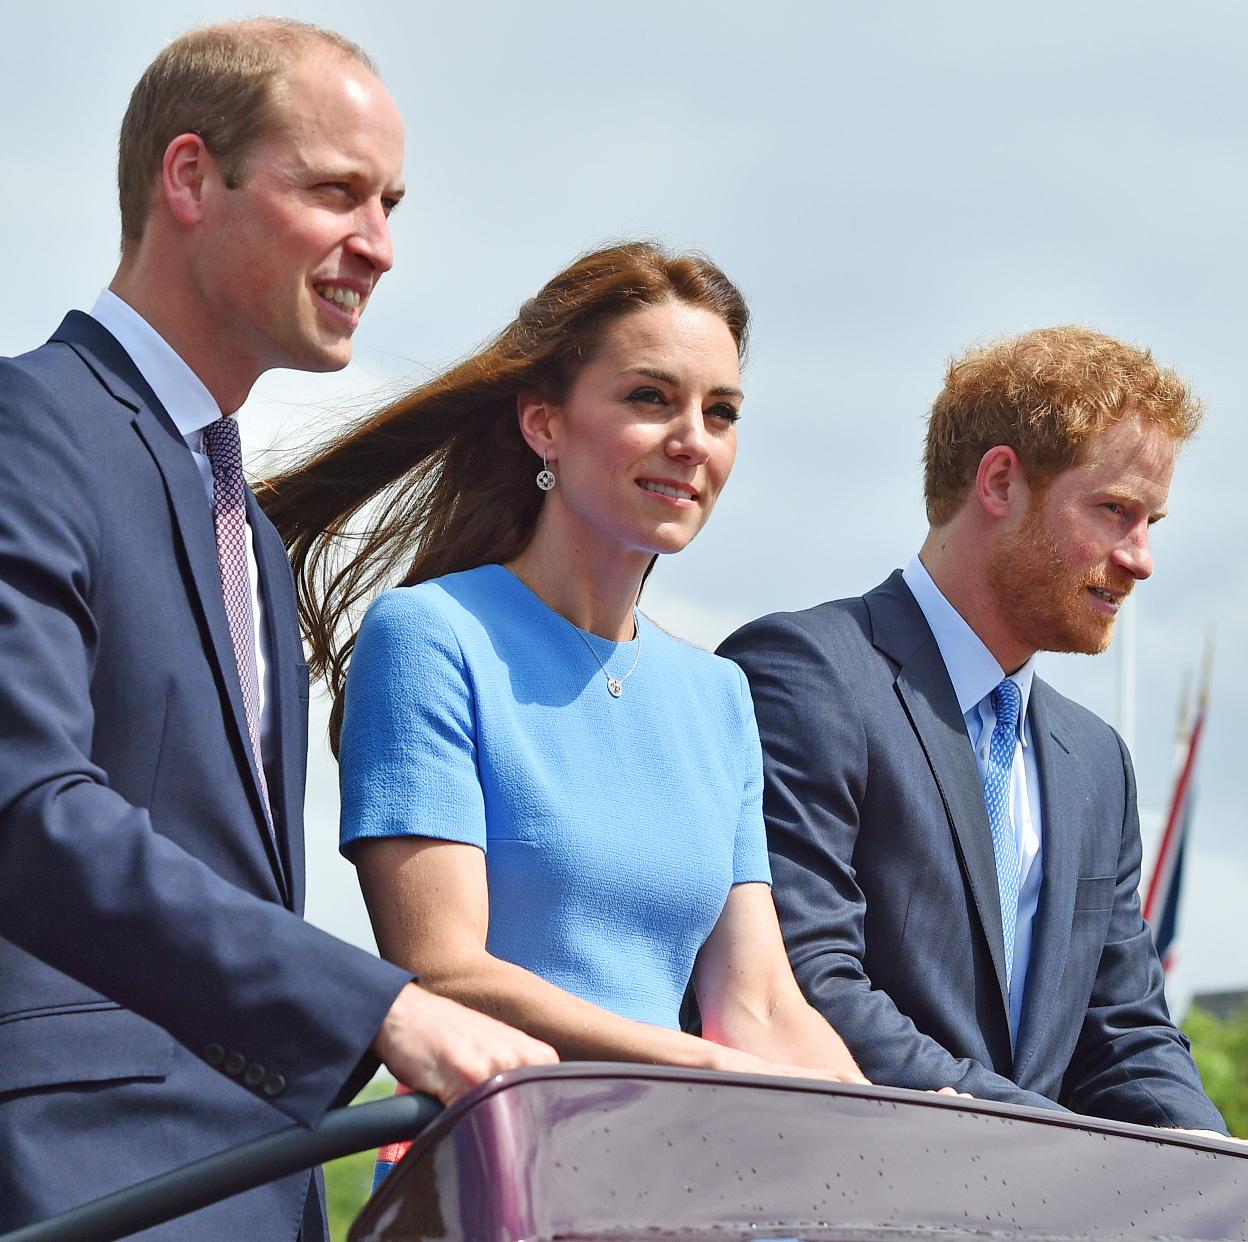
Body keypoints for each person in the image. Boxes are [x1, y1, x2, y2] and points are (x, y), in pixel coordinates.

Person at [0, 19, 553, 1239]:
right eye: (337, 193)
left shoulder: (244, 521)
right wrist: (378, 1011)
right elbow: (28, 809)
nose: (381, 246)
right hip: (84, 1175)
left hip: (263, 1184)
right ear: (190, 178)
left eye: (392, 203)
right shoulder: (23, 430)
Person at [263, 242, 868, 1176]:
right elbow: (444, 969)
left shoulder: (719, 697)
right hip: (500, 1177)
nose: (693, 440)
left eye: (722, 412)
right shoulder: (432, 636)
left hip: (674, 1187)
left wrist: (890, 1127)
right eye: (650, 398)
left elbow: (760, 1005)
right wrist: (706, 1067)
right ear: (545, 424)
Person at [719, 325, 1227, 1131]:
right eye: (1116, 511)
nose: (1141, 559)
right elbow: (802, 979)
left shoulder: (1099, 763)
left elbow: (1125, 1035)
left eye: (1150, 522)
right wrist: (1046, 1145)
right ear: (999, 481)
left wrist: (1213, 1175)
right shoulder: (805, 676)